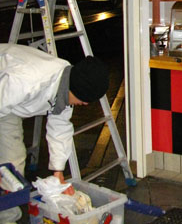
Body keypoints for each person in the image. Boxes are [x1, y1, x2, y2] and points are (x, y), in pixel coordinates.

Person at [0, 43, 109, 223]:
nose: (85, 104)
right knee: (6, 169)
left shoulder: (66, 84)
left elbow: (59, 127)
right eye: (84, 100)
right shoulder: (27, 80)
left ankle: (6, 220)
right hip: (4, 91)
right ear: (74, 89)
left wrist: (58, 171)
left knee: (12, 167)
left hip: (10, 105)